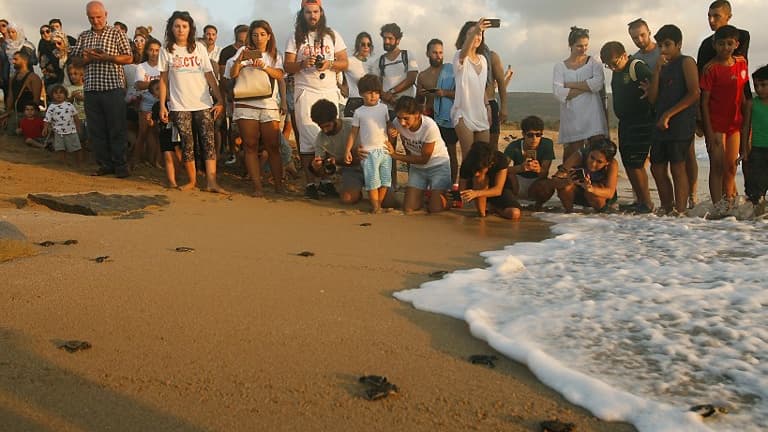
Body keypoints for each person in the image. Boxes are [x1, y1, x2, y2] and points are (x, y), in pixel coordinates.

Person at [283, 0, 348, 198]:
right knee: (307, 141)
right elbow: (287, 66)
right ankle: (311, 183)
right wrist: (302, 64)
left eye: (316, 11)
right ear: (302, 14)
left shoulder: (332, 35)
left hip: (328, 90)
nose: (313, 16)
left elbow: (345, 63)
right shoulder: (295, 37)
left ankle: (326, 181)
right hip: (306, 91)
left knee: (329, 137)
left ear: (321, 12)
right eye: (308, 12)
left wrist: (330, 64)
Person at [158, 10, 226, 193]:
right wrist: (163, 104)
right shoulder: (166, 51)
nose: (181, 30)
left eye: (184, 26)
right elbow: (163, 79)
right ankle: (192, 181)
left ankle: (212, 182)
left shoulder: (199, 47)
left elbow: (209, 75)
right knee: (187, 143)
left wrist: (219, 99)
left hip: (203, 102)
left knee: (208, 142)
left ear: (190, 28)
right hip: (179, 105)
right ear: (171, 28)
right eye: (177, 26)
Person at [71, 1, 133, 178]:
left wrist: (108, 57)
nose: (95, 20)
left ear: (106, 14)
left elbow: (129, 57)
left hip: (113, 87)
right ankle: (105, 165)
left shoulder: (116, 33)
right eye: (92, 17)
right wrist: (86, 59)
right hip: (91, 88)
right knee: (96, 130)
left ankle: (120, 165)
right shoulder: (83, 36)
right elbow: (74, 62)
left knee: (117, 128)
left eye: (98, 16)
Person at [226, 19, 285, 196]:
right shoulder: (241, 52)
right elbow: (231, 74)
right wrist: (241, 60)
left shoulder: (274, 55)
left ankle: (278, 186)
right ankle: (257, 187)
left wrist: (265, 66)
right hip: (245, 103)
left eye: (262, 34)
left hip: (268, 103)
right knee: (250, 145)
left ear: (269, 36)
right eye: (254, 34)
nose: (258, 38)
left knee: (273, 146)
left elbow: (280, 74)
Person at [646, 24, 700, 215]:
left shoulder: (686, 62)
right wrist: (657, 71)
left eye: (667, 44)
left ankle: (680, 210)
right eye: (660, 45)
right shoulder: (661, 66)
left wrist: (670, 113)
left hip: (680, 123)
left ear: (678, 44)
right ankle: (666, 206)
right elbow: (652, 98)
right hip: (660, 123)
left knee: (678, 167)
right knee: (657, 168)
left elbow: (694, 93)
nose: (663, 49)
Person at [600, 41, 655, 213]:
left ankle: (646, 203)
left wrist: (651, 89)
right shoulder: (618, 71)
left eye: (614, 63)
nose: (613, 68)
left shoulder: (636, 66)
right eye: (608, 66)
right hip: (626, 122)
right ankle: (639, 200)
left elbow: (655, 79)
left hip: (641, 121)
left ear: (624, 55)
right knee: (628, 162)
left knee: (636, 162)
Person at [310, 98, 396, 206]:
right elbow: (322, 172)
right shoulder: (320, 139)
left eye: (327, 126)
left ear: (335, 118)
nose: (325, 130)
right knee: (347, 199)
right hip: (352, 171)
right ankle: (357, 192)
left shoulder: (353, 125)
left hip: (374, 166)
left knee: (390, 202)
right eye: (321, 127)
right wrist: (316, 167)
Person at [700, 25, 748, 209]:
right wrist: (709, 131)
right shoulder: (711, 69)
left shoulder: (741, 63)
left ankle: (728, 202)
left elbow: (743, 96)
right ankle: (716, 206)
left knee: (731, 167)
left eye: (729, 43)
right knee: (717, 167)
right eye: (721, 44)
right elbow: (704, 102)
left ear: (736, 44)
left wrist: (746, 126)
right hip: (716, 124)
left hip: (735, 123)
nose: (725, 48)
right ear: (714, 45)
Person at [553, 26, 608, 163]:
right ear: (570, 45)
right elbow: (559, 93)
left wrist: (570, 84)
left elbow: (597, 84)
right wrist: (587, 86)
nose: (583, 49)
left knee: (597, 152)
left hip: (593, 115)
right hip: (571, 116)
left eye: (586, 45)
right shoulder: (560, 66)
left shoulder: (594, 61)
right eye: (579, 46)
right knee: (573, 156)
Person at [387, 96, 451, 214]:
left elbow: (424, 159)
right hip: (417, 169)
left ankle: (448, 198)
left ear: (417, 114)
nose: (402, 122)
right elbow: (390, 136)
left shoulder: (429, 127)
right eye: (399, 118)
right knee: (409, 209)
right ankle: (427, 195)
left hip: (438, 165)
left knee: (435, 209)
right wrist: (391, 131)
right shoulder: (397, 123)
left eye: (406, 118)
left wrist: (396, 156)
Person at [344, 74, 390, 213]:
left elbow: (388, 126)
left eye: (376, 92)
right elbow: (353, 133)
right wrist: (348, 150)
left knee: (385, 181)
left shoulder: (384, 108)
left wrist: (393, 136)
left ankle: (379, 204)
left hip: (385, 151)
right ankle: (376, 207)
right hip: (368, 152)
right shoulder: (359, 112)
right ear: (361, 93)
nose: (373, 96)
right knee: (372, 182)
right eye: (370, 93)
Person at [416, 38, 458, 181]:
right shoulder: (422, 76)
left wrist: (444, 93)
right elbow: (419, 102)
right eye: (435, 52)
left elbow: (463, 94)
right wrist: (421, 96)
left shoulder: (452, 71)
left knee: (450, 152)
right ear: (428, 53)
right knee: (430, 152)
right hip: (430, 117)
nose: (438, 56)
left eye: (441, 52)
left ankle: (453, 184)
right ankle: (432, 183)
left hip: (448, 117)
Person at [452, 19, 492, 162]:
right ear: (464, 38)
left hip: (480, 112)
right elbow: (464, 54)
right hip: (463, 112)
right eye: (471, 34)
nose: (476, 37)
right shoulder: (458, 56)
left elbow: (481, 88)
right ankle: (463, 185)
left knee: (483, 159)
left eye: (479, 33)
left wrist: (487, 107)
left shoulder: (483, 59)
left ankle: (478, 185)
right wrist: (476, 29)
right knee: (468, 158)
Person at [502, 115, 556, 210]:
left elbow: (544, 173)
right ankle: (512, 203)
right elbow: (500, 169)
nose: (534, 139)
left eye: (538, 135)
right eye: (530, 135)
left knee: (549, 184)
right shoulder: (514, 146)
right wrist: (520, 168)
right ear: (523, 134)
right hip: (517, 182)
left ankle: (537, 206)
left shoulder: (547, 144)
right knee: (507, 176)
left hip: (536, 182)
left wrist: (539, 169)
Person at [552, 138, 619, 212]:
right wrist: (567, 181)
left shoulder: (612, 164)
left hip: (600, 196)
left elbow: (610, 193)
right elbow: (554, 181)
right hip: (579, 192)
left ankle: (601, 216)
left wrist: (591, 189)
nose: (593, 164)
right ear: (589, 152)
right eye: (592, 157)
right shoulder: (579, 156)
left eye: (599, 162)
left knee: (592, 193)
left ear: (607, 162)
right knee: (564, 187)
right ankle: (569, 214)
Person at [458, 141, 521, 220]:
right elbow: (461, 190)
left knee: (515, 213)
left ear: (490, 164)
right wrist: (457, 196)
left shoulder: (500, 159)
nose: (476, 173)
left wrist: (476, 193)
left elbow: (498, 190)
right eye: (475, 169)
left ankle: (496, 209)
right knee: (479, 178)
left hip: (498, 190)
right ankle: (482, 215)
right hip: (475, 188)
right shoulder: (467, 163)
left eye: (479, 169)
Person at [376, 23, 417, 115]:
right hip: (386, 109)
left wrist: (391, 92)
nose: (386, 41)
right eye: (384, 38)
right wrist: (386, 97)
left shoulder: (407, 55)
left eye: (390, 38)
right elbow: (376, 83)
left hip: (406, 109)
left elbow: (411, 78)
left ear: (398, 40)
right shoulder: (379, 61)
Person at [741, 66, 768, 206]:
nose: (759, 89)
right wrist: (744, 150)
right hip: (757, 150)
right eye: (756, 85)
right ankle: (754, 222)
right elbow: (745, 127)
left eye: (763, 85)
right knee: (756, 191)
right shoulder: (751, 104)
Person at [4, 50, 43, 136]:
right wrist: (7, 114)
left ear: (24, 61)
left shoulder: (33, 78)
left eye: (16, 59)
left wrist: (29, 119)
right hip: (15, 114)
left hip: (29, 115)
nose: (13, 61)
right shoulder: (13, 78)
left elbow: (36, 100)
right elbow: (10, 96)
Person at [43, 84, 83, 165]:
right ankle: (64, 163)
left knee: (77, 148)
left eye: (61, 92)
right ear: (52, 95)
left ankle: (79, 163)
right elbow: (47, 119)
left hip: (71, 131)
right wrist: (45, 128)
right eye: (56, 93)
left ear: (65, 95)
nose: (58, 95)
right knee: (60, 149)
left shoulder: (69, 105)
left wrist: (78, 127)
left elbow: (76, 117)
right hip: (58, 133)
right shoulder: (51, 107)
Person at [342, 31, 373, 117]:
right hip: (354, 102)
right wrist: (341, 86)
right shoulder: (350, 61)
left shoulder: (372, 64)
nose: (366, 47)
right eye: (363, 44)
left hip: (370, 104)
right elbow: (334, 71)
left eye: (368, 44)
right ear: (357, 46)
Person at [65, 60, 87, 145]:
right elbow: (66, 103)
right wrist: (72, 97)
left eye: (75, 74)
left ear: (82, 75)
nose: (72, 77)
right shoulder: (69, 89)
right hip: (75, 119)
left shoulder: (87, 87)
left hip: (87, 117)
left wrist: (82, 98)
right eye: (70, 74)